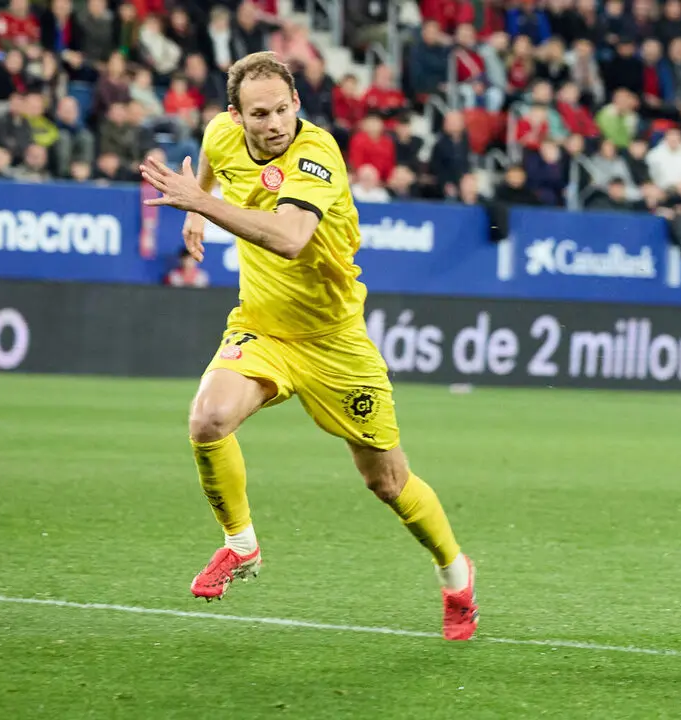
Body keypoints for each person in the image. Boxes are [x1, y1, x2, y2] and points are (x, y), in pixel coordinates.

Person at [138, 52, 478, 641]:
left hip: (334, 341)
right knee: (208, 418)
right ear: (235, 115)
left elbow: (292, 239)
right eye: (258, 114)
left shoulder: (316, 154)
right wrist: (201, 207)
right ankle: (241, 546)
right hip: (263, 327)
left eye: (281, 109)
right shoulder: (223, 134)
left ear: (297, 102)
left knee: (388, 483)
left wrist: (202, 206)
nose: (273, 123)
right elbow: (215, 162)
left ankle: (455, 573)